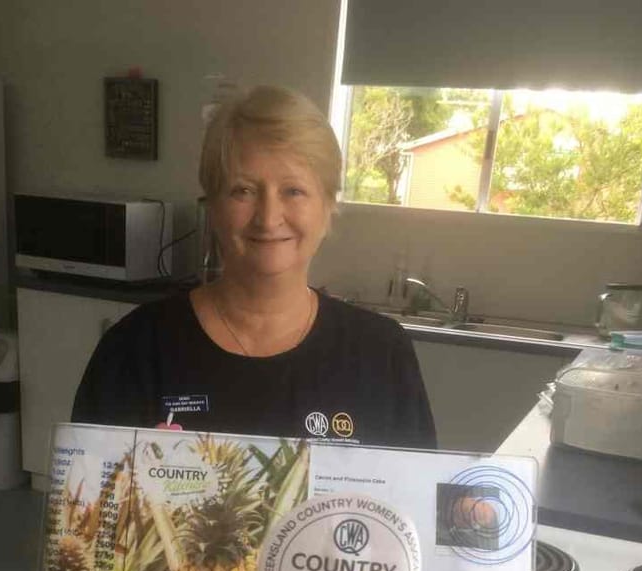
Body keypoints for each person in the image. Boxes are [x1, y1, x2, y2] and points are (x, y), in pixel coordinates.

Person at [72, 85, 436, 448]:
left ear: (327, 207)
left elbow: (414, 500)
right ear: (212, 207)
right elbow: (84, 498)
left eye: (293, 190)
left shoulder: (382, 355)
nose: (268, 217)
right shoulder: (134, 349)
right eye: (242, 191)